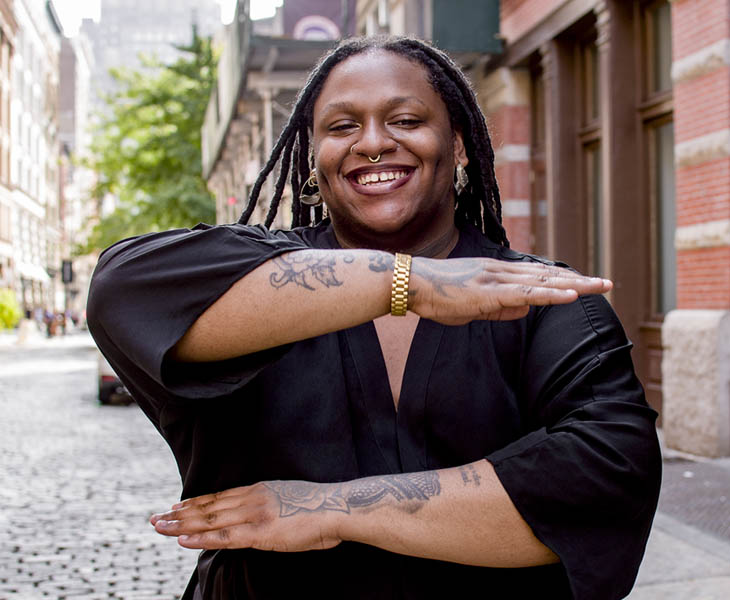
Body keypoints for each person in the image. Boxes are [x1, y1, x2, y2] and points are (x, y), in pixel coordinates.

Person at [87, 36, 661, 600]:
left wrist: (329, 509)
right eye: (342, 126)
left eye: (406, 120)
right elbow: (121, 290)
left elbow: (604, 478)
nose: (373, 143)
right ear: (314, 158)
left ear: (458, 145)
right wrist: (408, 283)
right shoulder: (258, 284)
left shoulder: (541, 300)